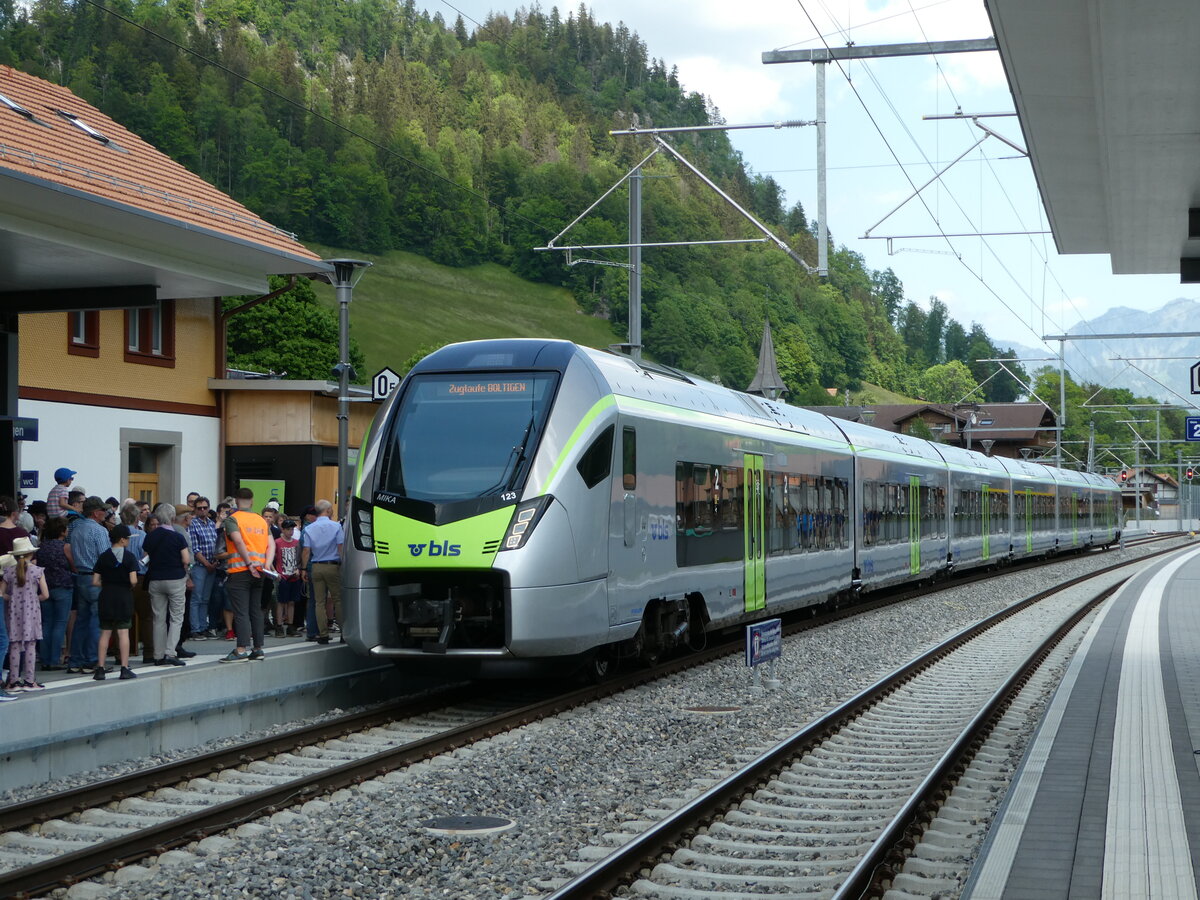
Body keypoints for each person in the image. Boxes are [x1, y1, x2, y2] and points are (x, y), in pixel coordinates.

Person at [220, 487, 274, 662]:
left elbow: (237, 540)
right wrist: (265, 565)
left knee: (241, 611)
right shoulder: (261, 521)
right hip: (260, 572)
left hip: (240, 571)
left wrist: (249, 563)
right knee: (256, 610)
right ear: (252, 501)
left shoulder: (232, 519)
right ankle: (258, 648)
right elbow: (271, 545)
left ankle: (241, 649)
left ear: (236, 501)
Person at [66, 497, 110, 674]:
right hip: (96, 577)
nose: (106, 513)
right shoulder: (99, 531)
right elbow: (105, 557)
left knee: (81, 620)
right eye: (103, 510)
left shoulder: (75, 529)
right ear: (95, 512)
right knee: (95, 619)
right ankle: (92, 660)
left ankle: (75, 660)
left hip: (80, 576)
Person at [143, 502, 190, 666]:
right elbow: (186, 559)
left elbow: (145, 555)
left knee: (158, 618)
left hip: (155, 579)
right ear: (172, 517)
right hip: (175, 578)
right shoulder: (178, 536)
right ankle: (170, 652)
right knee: (176, 617)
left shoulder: (151, 536)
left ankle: (158, 655)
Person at [92, 525, 138, 680]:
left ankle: (100, 668)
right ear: (122, 539)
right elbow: (133, 580)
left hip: (106, 596)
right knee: (123, 632)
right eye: (128, 539)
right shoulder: (130, 557)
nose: (129, 542)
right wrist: (127, 584)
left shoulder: (104, 556)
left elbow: (95, 581)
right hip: (123, 596)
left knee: (105, 633)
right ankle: (124, 667)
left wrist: (107, 583)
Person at [2, 537, 47, 690]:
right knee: (30, 645)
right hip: (32, 611)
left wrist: (13, 598)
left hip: (13, 612)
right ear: (30, 554)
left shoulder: (8, 571)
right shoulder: (37, 571)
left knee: (14, 645)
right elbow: (46, 594)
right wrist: (33, 599)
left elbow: (1, 593)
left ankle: (13, 681)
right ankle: (29, 681)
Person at [300, 499, 344, 645]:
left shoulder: (309, 528)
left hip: (316, 566)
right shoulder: (336, 526)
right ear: (329, 510)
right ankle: (344, 632)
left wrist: (304, 568)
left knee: (319, 602)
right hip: (333, 566)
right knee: (338, 599)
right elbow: (340, 546)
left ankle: (323, 634)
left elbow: (306, 550)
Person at [35, 516, 73, 671]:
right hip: (63, 586)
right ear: (62, 531)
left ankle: (44, 659)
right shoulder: (65, 547)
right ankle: (55, 658)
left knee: (46, 623)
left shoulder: (41, 547)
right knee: (60, 623)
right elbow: (73, 565)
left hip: (45, 586)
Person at [187, 496, 219, 640]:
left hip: (212, 564)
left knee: (206, 598)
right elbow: (195, 548)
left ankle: (203, 626)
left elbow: (216, 544)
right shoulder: (193, 524)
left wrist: (214, 563)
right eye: (199, 508)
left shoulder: (212, 524)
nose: (202, 510)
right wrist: (207, 564)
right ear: (195, 509)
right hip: (200, 566)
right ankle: (195, 629)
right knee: (196, 598)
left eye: (205, 507)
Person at [273, 519, 301, 637]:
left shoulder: (296, 543)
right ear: (283, 530)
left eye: (292, 529)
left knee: (291, 602)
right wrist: (275, 572)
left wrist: (298, 569)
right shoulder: (277, 542)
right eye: (288, 529)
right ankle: (279, 625)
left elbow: (299, 559)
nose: (290, 531)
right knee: (281, 602)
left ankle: (290, 625)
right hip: (282, 575)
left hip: (293, 575)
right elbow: (272, 559)